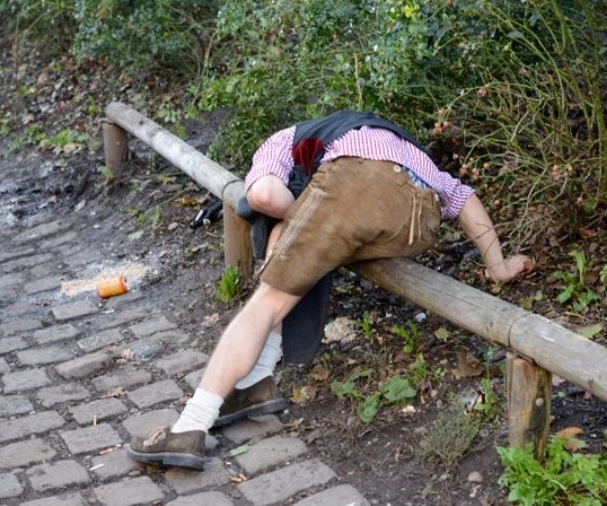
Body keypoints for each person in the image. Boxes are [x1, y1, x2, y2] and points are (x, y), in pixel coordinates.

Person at [126, 110, 533, 471]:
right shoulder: (395, 142)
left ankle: (190, 426)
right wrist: (497, 266)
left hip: (358, 182)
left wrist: (313, 224)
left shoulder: (281, 141)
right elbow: (462, 197)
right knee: (287, 257)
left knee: (265, 302)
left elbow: (263, 194)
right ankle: (257, 383)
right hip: (419, 220)